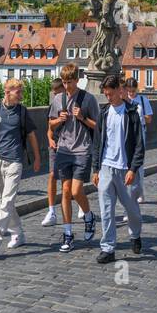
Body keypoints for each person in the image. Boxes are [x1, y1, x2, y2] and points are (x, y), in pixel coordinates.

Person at [0, 78, 41, 257]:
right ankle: (18, 233)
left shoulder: (22, 112)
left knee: (7, 201)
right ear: (7, 92)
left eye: (22, 92)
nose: (21, 95)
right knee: (4, 202)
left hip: (16, 161)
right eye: (18, 92)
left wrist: (37, 157)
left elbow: (31, 135)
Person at [90, 73, 145, 264]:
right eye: (106, 94)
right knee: (106, 211)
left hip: (126, 169)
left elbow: (139, 144)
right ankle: (108, 248)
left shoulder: (132, 113)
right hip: (106, 167)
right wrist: (95, 169)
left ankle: (135, 234)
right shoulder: (104, 113)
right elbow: (97, 143)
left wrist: (133, 169)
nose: (108, 97)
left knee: (132, 210)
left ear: (120, 91)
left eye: (111, 94)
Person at [49, 62, 99, 252]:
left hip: (82, 150)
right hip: (63, 149)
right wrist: (57, 120)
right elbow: (51, 125)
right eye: (64, 82)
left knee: (77, 191)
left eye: (70, 82)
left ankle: (88, 216)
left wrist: (82, 119)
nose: (67, 86)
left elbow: (97, 126)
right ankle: (68, 234)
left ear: (77, 80)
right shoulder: (58, 99)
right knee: (66, 191)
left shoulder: (88, 99)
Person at [40, 77, 67, 226]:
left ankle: (67, 208)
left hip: (69, 146)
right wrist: (50, 140)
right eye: (54, 93)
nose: (55, 96)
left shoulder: (70, 103)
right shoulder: (53, 106)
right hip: (55, 145)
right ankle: (51, 211)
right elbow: (49, 129)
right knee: (52, 175)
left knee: (66, 180)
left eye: (58, 93)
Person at [124, 75, 153, 204]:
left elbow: (149, 118)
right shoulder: (123, 100)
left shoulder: (142, 99)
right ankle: (129, 191)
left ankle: (140, 191)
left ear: (137, 89)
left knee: (139, 164)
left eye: (133, 91)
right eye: (128, 91)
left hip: (140, 132)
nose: (131, 94)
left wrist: (140, 116)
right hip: (126, 132)